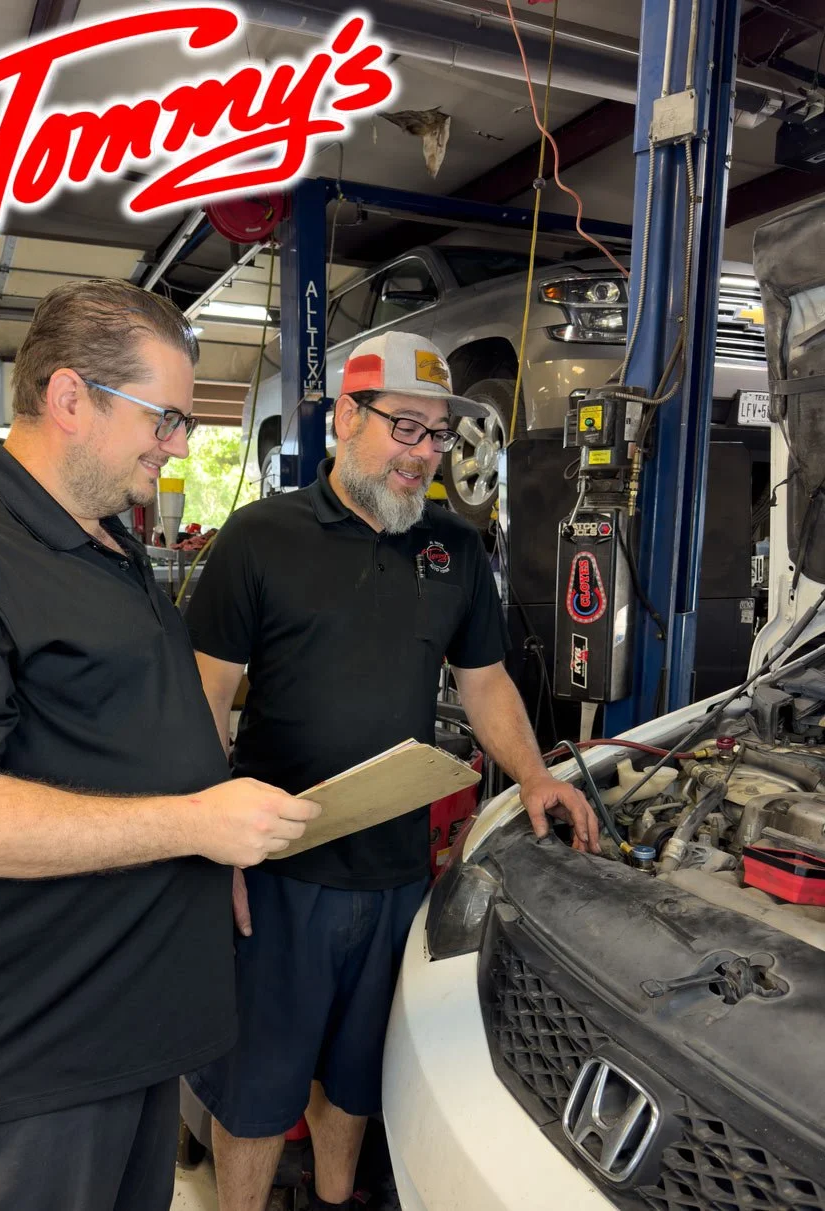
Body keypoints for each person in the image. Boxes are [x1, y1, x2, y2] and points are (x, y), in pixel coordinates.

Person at [0, 279, 319, 1211]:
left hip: (138, 1035)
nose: (178, 447)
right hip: (35, 1063)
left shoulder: (107, 546)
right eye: (165, 418)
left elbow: (124, 738)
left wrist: (211, 849)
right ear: (68, 399)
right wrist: (192, 822)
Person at [183, 330, 599, 1211]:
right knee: (257, 1089)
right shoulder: (260, 539)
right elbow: (201, 700)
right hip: (279, 873)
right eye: (404, 428)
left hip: (396, 876)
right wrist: (202, 836)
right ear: (345, 417)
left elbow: (483, 685)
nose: (422, 455)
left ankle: (336, 1201)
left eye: (438, 434)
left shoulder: (452, 549)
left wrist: (533, 775)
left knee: (359, 1074)